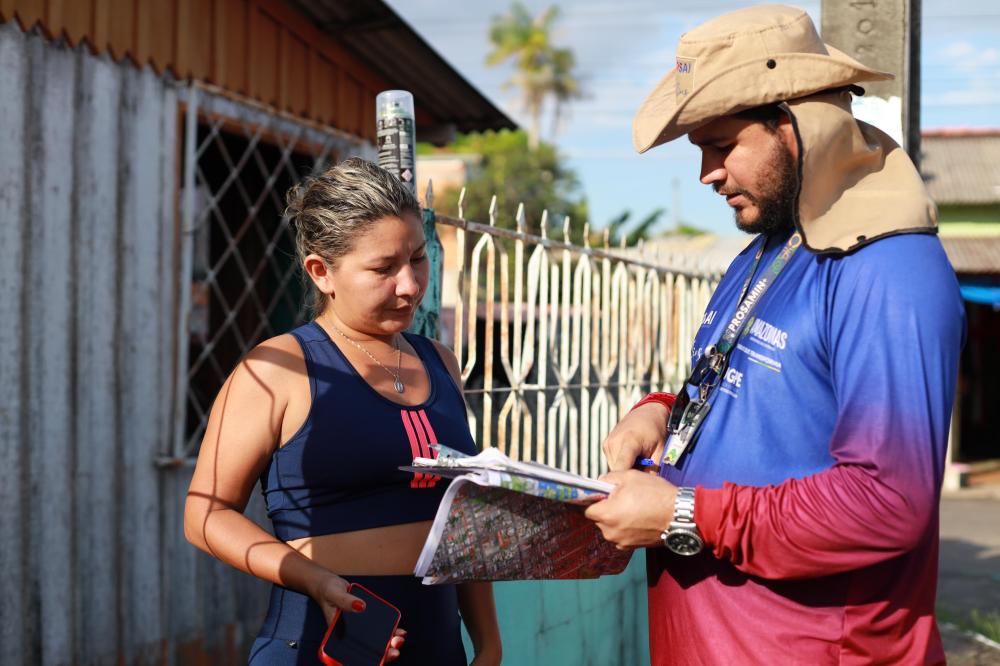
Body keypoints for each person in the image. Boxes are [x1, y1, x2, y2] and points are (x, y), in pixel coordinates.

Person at [584, 6, 964, 665]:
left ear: (793, 125)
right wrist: (661, 414)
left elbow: (886, 500)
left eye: (721, 144)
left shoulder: (887, 268)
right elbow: (767, 407)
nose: (707, 172)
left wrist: (683, 515)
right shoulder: (770, 247)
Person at [184, 157, 501, 665]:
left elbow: (462, 522)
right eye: (383, 268)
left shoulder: (440, 362)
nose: (409, 285)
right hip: (321, 643)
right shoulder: (278, 368)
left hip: (439, 647)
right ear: (321, 272)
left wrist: (488, 645)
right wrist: (314, 580)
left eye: (418, 258)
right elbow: (205, 515)